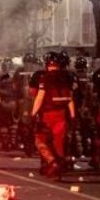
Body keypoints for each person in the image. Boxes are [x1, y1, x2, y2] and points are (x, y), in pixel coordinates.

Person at [29, 52, 75, 180]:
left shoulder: (45, 77)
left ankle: (51, 162)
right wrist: (72, 115)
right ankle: (58, 169)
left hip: (47, 114)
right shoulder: (68, 77)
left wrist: (32, 114)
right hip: (62, 114)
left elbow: (39, 97)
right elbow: (70, 98)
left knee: (40, 141)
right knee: (58, 143)